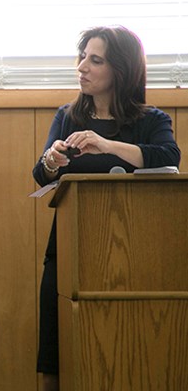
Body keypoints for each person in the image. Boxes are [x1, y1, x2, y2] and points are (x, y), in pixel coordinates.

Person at [33, 25, 181, 391]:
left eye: (94, 60)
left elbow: (169, 157)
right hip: (68, 251)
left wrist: (107, 145)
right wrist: (52, 160)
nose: (82, 66)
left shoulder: (151, 120)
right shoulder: (68, 117)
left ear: (121, 69)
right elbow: (41, 174)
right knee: (57, 353)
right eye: (82, 57)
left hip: (137, 258)